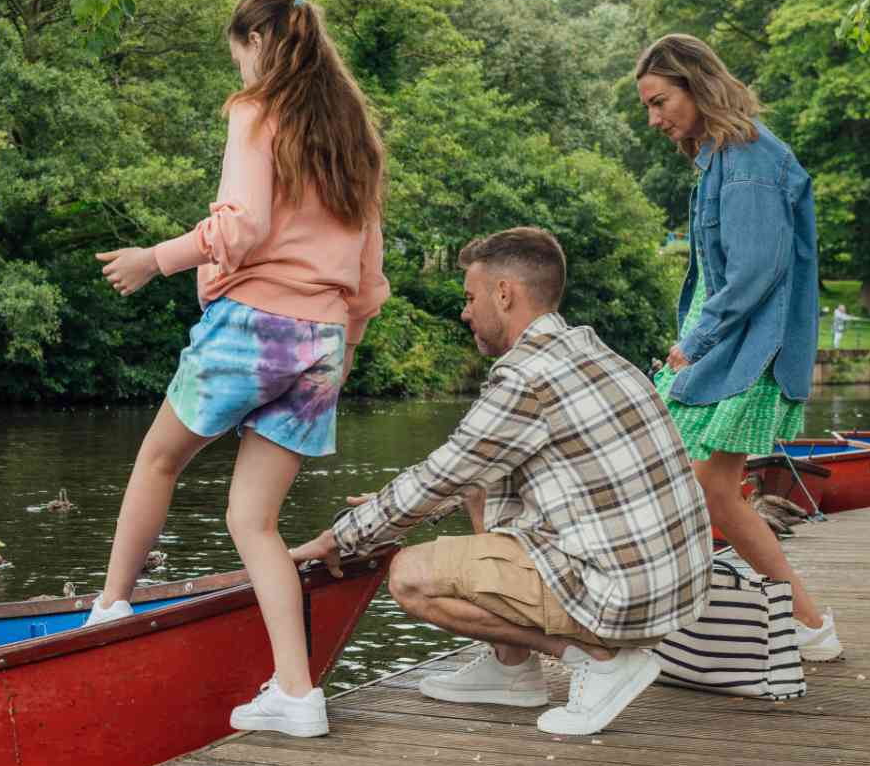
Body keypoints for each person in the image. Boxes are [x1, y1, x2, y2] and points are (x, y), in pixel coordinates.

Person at [88, 0, 390, 740]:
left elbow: (243, 224)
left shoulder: (257, 110)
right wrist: (345, 351)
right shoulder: (355, 136)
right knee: (254, 519)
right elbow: (368, 276)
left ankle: (111, 605)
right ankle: (298, 692)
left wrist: (155, 259)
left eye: (239, 55)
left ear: (256, 42)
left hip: (255, 326)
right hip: (322, 342)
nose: (241, 70)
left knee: (159, 460)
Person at [291, 228, 713, 736]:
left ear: (505, 294)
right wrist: (402, 505)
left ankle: (597, 661)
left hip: (623, 596)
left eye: (471, 298)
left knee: (410, 575)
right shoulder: (590, 351)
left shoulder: (527, 377)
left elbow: (441, 474)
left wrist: (341, 538)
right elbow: (469, 472)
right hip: (671, 585)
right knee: (479, 484)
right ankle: (510, 668)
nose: (464, 312)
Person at [636, 33, 840, 661]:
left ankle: (804, 624)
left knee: (701, 486)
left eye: (660, 102)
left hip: (742, 346)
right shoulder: (723, 157)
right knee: (695, 484)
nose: (654, 119)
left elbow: (755, 272)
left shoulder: (749, 160)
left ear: (697, 85)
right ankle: (760, 620)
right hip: (726, 342)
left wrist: (696, 340)